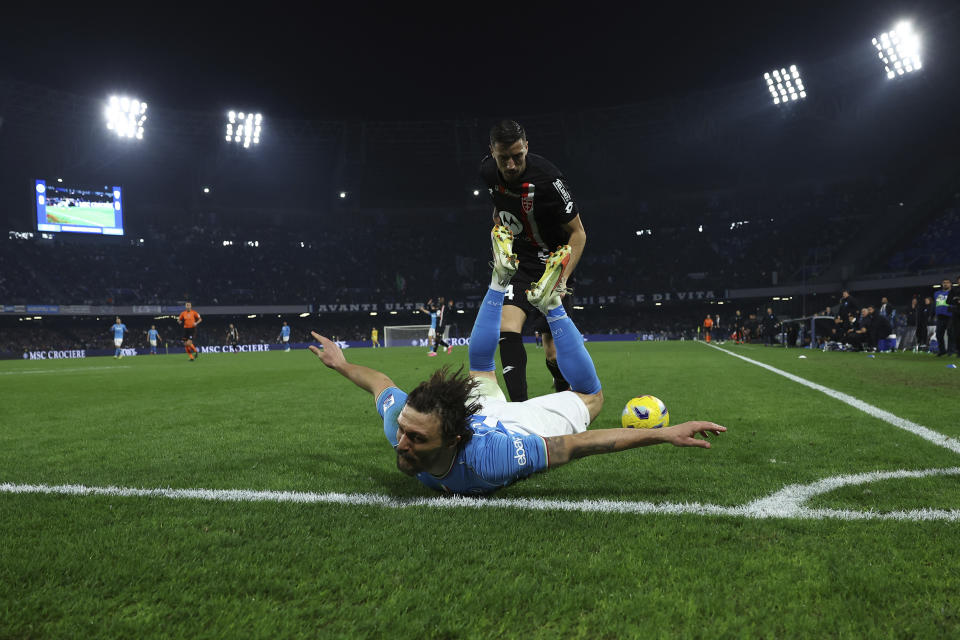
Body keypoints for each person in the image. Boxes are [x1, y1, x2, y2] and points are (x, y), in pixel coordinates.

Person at [308, 226, 725, 495]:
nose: (400, 444)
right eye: (404, 433)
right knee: (480, 371)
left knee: (592, 398)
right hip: (485, 413)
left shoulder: (492, 460)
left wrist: (663, 434)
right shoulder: (409, 419)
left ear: (453, 441)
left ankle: (550, 304)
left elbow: (577, 445)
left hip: (517, 426)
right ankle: (500, 281)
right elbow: (379, 382)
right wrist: (342, 364)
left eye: (415, 439)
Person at [480, 119, 586, 401]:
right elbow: (498, 209)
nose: (511, 165)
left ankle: (566, 400)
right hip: (522, 261)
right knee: (507, 326)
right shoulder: (488, 172)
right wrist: (500, 239)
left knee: (553, 353)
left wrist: (560, 282)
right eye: (504, 158)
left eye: (518, 156)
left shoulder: (550, 180)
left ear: (527, 147)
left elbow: (578, 234)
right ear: (492, 152)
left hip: (554, 264)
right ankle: (519, 410)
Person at [934, 278, 953, 356]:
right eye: (944, 282)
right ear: (942, 284)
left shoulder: (953, 293)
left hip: (950, 316)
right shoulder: (936, 293)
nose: (945, 284)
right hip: (940, 317)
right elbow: (936, 304)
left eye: (947, 282)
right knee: (938, 334)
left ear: (950, 284)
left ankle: (950, 351)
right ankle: (942, 350)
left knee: (950, 334)